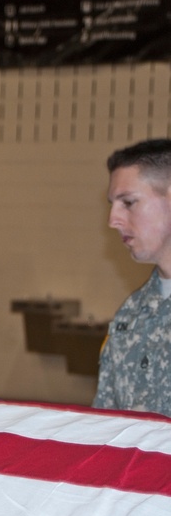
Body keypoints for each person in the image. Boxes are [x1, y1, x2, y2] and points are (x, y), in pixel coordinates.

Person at [94, 138, 171, 416]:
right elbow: (106, 425)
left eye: (128, 202)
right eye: (113, 204)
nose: (113, 220)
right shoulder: (130, 315)